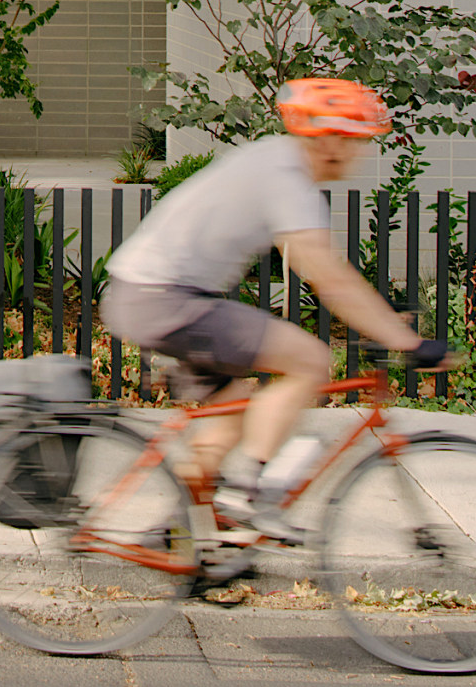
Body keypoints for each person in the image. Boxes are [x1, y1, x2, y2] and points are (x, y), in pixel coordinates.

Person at [98, 78, 446, 542]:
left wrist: (384, 324)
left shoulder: (273, 162)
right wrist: (406, 341)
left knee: (232, 409)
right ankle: (250, 497)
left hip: (149, 294)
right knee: (309, 359)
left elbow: (322, 270)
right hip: (164, 298)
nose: (360, 153)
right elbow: (329, 277)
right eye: (358, 141)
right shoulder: (286, 178)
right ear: (332, 141)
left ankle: (184, 539)